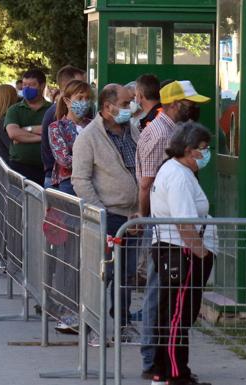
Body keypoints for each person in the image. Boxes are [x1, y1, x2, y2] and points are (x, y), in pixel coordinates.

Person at [136, 80, 209, 379]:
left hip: (173, 245)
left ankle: (164, 365)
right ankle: (160, 365)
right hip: (175, 248)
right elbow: (146, 184)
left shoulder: (178, 162)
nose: (194, 110)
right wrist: (202, 252)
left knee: (170, 308)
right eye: (190, 104)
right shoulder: (161, 140)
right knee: (166, 307)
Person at [149, 122, 215, 385]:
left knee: (174, 313)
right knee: (177, 314)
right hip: (181, 252)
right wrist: (202, 254)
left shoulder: (177, 171)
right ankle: (175, 374)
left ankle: (166, 370)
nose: (206, 153)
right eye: (203, 149)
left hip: (180, 251)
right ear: (188, 150)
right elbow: (184, 223)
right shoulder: (177, 175)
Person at [72, 83, 139, 339]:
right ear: (108, 106)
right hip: (108, 215)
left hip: (133, 215)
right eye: (124, 103)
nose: (129, 108)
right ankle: (92, 323)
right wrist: (100, 212)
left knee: (126, 274)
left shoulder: (132, 131)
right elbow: (81, 179)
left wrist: (141, 208)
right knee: (104, 273)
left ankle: (123, 322)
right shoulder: (89, 137)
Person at [41, 65, 87, 188]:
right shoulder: (55, 116)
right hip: (61, 180)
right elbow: (64, 159)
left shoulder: (89, 122)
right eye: (79, 84)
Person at [5, 68, 51, 185]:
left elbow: (56, 133)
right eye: (25, 85)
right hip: (19, 168)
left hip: (45, 170)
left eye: (32, 85)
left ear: (42, 86)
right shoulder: (14, 110)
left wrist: (25, 130)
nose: (27, 89)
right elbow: (13, 133)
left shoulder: (52, 110)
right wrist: (43, 136)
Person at [48, 80, 93, 195]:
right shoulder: (56, 128)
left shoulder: (94, 125)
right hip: (69, 184)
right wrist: (95, 160)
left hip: (95, 182)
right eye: (80, 98)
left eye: (87, 98)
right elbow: (64, 160)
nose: (84, 102)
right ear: (67, 101)